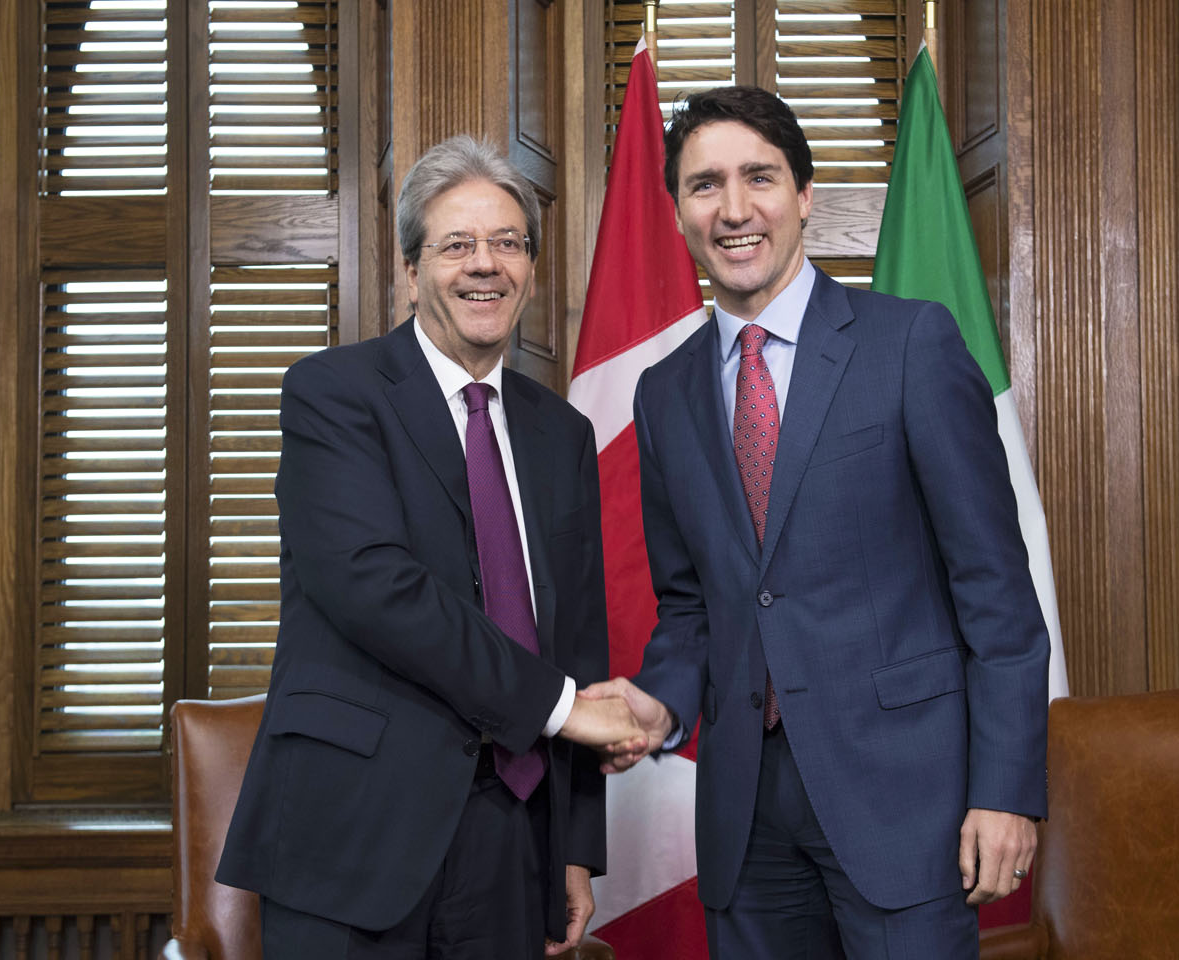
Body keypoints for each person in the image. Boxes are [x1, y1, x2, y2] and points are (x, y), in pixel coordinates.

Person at [582, 86, 1050, 959]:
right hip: (744, 817)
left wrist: (1006, 790)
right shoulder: (664, 392)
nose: (732, 209)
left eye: (757, 178)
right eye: (703, 185)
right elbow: (689, 607)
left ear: (803, 194)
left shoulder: (909, 344)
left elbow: (992, 587)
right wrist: (658, 704)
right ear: (678, 211)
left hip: (904, 806)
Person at [217, 135, 644, 959]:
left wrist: (574, 847)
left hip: (511, 841)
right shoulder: (333, 394)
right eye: (458, 245)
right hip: (354, 838)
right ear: (412, 270)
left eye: (508, 243)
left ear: (528, 266)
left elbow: (578, 637)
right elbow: (374, 587)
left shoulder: (562, 434)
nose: (486, 265)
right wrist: (562, 711)